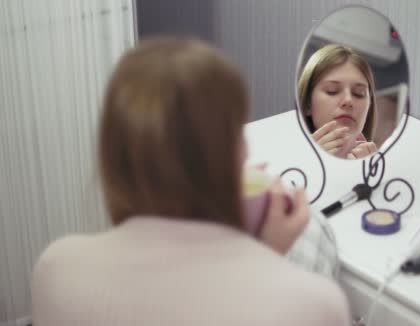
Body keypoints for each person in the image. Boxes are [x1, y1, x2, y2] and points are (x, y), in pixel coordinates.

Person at [31, 37, 351, 326]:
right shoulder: (314, 302)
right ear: (235, 151)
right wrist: (267, 260)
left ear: (109, 153)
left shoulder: (55, 269)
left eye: (358, 92)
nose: (346, 101)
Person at [298, 44, 378, 159]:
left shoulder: (387, 170)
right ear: (307, 104)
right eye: (332, 91)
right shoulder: (281, 162)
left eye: (358, 93)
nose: (348, 100)